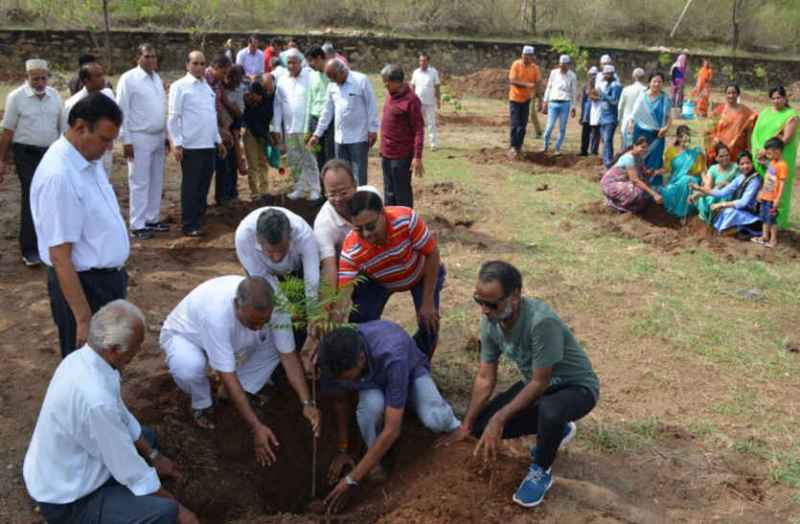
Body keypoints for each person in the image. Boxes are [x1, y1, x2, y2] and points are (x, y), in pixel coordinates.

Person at [436, 261, 599, 508]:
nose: (484, 310)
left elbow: (539, 382)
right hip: (537, 386)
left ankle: (541, 471)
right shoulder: (490, 322)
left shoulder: (541, 322)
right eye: (478, 301)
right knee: (481, 427)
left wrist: (499, 419)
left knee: (550, 411)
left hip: (575, 389)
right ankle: (555, 432)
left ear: (515, 295)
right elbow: (485, 377)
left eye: (492, 303)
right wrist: (466, 425)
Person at [23, 301, 200, 524]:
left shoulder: (83, 359)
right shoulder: (96, 400)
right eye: (137, 346)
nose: (139, 351)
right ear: (114, 350)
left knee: (148, 439)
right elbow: (129, 470)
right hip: (70, 500)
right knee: (165, 514)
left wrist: (154, 456)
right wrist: (179, 508)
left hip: (67, 464)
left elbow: (120, 414)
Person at [160, 276, 321, 455]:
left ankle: (238, 390)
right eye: (253, 322)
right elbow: (227, 375)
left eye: (264, 322)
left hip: (233, 335)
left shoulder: (277, 305)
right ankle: (201, 404)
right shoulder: (216, 315)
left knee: (275, 346)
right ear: (237, 304)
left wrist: (307, 402)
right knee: (190, 369)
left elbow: (288, 355)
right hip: (188, 337)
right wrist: (256, 427)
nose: (259, 328)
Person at [319, 321, 461, 513]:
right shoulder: (334, 355)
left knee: (436, 418)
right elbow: (340, 400)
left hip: (410, 375)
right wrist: (343, 449)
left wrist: (352, 478)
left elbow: (393, 430)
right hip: (373, 384)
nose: (343, 382)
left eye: (346, 377)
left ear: (361, 358)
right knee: (369, 409)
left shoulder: (392, 353)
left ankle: (456, 428)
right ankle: (374, 463)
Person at [30, 93, 129, 358]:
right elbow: (60, 257)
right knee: (86, 366)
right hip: (84, 287)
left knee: (110, 359)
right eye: (105, 139)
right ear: (80, 128)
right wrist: (83, 318)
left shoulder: (87, 158)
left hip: (106, 281)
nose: (109, 148)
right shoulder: (59, 176)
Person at [336, 191, 444, 358]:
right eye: (359, 229)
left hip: (420, 272)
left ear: (383, 213)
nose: (366, 234)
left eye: (371, 226)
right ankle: (374, 360)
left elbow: (432, 253)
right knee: (360, 322)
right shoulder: (351, 250)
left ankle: (417, 361)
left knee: (429, 325)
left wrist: (427, 300)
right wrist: (333, 327)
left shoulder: (406, 219)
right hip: (381, 281)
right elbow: (344, 293)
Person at [0, 58, 63, 266]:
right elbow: (7, 131)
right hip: (26, 154)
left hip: (50, 154)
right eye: (35, 78)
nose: (40, 82)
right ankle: (30, 250)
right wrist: (2, 160)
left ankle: (50, 246)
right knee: (31, 196)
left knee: (51, 197)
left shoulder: (54, 96)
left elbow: (62, 128)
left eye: (43, 78)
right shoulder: (16, 97)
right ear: (27, 78)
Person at [235, 206, 320, 348]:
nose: (276, 257)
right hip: (264, 275)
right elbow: (262, 279)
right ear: (258, 240)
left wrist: (313, 315)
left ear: (291, 236)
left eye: (282, 250)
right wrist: (288, 308)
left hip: (297, 270)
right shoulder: (244, 237)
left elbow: (312, 277)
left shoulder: (303, 233)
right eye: (270, 252)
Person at [167, 51, 226, 237]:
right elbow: (173, 117)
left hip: (208, 144)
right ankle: (189, 223)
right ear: (187, 65)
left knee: (204, 184)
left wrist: (218, 141)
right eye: (195, 63)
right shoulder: (180, 86)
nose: (199, 67)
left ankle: (199, 219)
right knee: (191, 186)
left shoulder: (206, 87)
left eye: (202, 63)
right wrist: (177, 143)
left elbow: (211, 117)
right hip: (191, 145)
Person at [117, 44, 170, 241]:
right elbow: (122, 109)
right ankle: (137, 223)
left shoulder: (156, 78)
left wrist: (165, 135)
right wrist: (126, 139)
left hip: (157, 135)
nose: (151, 60)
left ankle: (152, 218)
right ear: (138, 57)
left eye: (154, 56)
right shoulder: (128, 79)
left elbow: (160, 107)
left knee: (156, 179)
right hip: (139, 136)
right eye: (147, 56)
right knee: (139, 181)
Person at [314, 159, 381, 296]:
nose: (338, 199)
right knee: (363, 314)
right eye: (332, 194)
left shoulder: (371, 198)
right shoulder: (323, 224)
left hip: (382, 263)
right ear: (324, 193)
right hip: (353, 275)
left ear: (355, 186)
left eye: (343, 192)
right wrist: (326, 305)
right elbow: (329, 268)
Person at [309, 59, 380, 186]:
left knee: (359, 175)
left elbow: (371, 106)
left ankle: (360, 202)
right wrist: (317, 134)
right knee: (343, 175)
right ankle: (347, 203)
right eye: (331, 79)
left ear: (342, 71)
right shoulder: (332, 86)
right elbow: (327, 111)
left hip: (358, 137)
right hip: (339, 139)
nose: (334, 82)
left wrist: (373, 130)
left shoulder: (360, 80)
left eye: (335, 78)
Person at [270, 49, 321, 200]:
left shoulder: (310, 76)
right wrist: (276, 127)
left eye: (294, 62)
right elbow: (278, 105)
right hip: (289, 128)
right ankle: (299, 187)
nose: (292, 65)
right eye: (289, 62)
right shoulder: (282, 80)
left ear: (301, 62)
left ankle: (314, 189)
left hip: (306, 128)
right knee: (294, 159)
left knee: (310, 158)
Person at [750, 85, 798, 230]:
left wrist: (766, 152)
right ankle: (761, 221)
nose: (776, 101)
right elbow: (755, 133)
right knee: (761, 190)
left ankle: (777, 224)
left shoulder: (791, 115)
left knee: (776, 190)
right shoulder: (765, 112)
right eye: (773, 98)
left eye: (779, 97)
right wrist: (757, 150)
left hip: (778, 157)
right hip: (760, 156)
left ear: (785, 98)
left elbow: (786, 138)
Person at [380, 64, 424, 207]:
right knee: (388, 191)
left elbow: (418, 129)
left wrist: (417, 157)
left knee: (402, 193)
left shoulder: (411, 100)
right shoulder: (390, 95)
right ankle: (391, 223)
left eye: (386, 81)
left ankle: (405, 224)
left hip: (401, 156)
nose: (384, 85)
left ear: (396, 81)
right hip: (386, 153)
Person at [62, 61, 116, 181]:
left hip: (105, 152)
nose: (103, 79)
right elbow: (66, 133)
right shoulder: (73, 104)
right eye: (98, 76)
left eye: (102, 75)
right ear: (85, 81)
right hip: (83, 155)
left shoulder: (108, 95)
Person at [690, 151, 761, 234]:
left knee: (729, 211)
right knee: (725, 211)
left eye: (748, 163)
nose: (745, 166)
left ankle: (741, 229)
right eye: (742, 164)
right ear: (738, 166)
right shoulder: (740, 178)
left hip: (750, 213)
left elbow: (743, 203)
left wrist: (721, 204)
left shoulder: (754, 180)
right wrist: (699, 188)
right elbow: (721, 192)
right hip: (740, 211)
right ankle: (733, 230)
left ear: (752, 163)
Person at [204, 54, 238, 207]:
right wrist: (220, 130)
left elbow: (221, 104)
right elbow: (205, 111)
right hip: (204, 130)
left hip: (217, 127)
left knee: (222, 162)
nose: (225, 77)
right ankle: (200, 203)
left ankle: (221, 197)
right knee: (206, 168)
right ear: (216, 68)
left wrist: (225, 128)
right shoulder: (203, 81)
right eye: (224, 73)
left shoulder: (217, 83)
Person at [601, 136, 663, 213]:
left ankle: (629, 208)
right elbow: (635, 180)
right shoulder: (629, 158)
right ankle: (615, 205)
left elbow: (644, 173)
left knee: (645, 190)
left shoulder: (639, 157)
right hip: (610, 184)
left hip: (623, 182)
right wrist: (654, 194)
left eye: (646, 148)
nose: (645, 150)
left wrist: (655, 172)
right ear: (634, 146)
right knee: (637, 192)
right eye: (642, 147)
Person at [657, 125, 706, 218]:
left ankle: (686, 212)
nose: (686, 142)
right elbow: (667, 169)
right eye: (684, 139)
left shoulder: (695, 152)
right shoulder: (671, 151)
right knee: (674, 187)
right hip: (675, 181)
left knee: (687, 180)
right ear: (678, 138)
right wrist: (655, 172)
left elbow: (700, 171)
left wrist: (703, 156)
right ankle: (679, 212)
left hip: (692, 180)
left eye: (688, 139)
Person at [242, 72, 275, 203]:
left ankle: (264, 190)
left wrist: (268, 137)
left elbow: (265, 122)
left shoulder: (267, 101)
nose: (258, 98)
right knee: (253, 164)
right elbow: (252, 124)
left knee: (263, 163)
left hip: (263, 134)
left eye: (260, 96)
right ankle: (255, 192)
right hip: (250, 134)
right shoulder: (247, 104)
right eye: (255, 96)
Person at [630, 72, 672, 169]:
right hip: (641, 134)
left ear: (663, 84)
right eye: (654, 81)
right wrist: (630, 124)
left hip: (658, 135)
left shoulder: (665, 99)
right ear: (649, 83)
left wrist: (666, 128)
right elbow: (634, 115)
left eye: (659, 82)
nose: (656, 84)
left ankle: (653, 182)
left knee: (655, 158)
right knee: (639, 156)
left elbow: (669, 117)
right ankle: (638, 179)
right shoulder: (642, 97)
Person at [707, 84, 756, 165]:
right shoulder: (719, 110)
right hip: (720, 149)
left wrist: (750, 148)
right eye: (728, 93)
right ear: (725, 94)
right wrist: (714, 140)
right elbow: (710, 130)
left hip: (737, 150)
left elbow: (749, 131)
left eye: (734, 93)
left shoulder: (746, 112)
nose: (731, 95)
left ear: (738, 94)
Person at [689, 143, 739, 221]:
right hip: (715, 194)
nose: (725, 158)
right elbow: (708, 188)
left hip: (729, 197)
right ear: (716, 158)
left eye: (727, 155)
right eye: (721, 156)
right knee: (703, 199)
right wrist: (697, 194)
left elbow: (741, 186)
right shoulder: (713, 169)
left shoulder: (736, 168)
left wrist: (727, 185)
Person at [753, 138, 789, 248]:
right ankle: (764, 236)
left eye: (769, 153)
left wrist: (777, 199)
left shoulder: (782, 165)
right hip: (765, 196)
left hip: (772, 199)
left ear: (777, 152)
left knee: (772, 220)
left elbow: (782, 184)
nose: (767, 155)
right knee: (764, 217)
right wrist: (761, 193)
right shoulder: (772, 163)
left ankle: (773, 240)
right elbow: (768, 177)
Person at [507, 45, 541, 160]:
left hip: (526, 100)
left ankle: (519, 147)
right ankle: (513, 146)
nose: (527, 58)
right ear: (522, 55)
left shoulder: (535, 68)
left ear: (532, 57)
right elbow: (512, 81)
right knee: (515, 124)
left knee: (523, 126)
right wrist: (526, 85)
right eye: (525, 56)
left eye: (530, 56)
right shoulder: (516, 65)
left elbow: (537, 84)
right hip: (515, 99)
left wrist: (540, 99)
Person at [306, 46, 335, 170]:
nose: (310, 65)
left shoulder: (332, 75)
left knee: (330, 155)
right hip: (314, 120)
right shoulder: (312, 76)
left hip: (329, 122)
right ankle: (322, 188)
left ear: (319, 58)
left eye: (312, 61)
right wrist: (308, 125)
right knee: (318, 156)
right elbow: (310, 99)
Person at [542, 55, 577, 154]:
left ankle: (557, 148)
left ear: (568, 65)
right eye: (561, 65)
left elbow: (573, 92)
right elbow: (549, 87)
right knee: (549, 126)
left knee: (562, 128)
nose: (562, 67)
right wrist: (545, 101)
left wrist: (573, 107)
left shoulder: (572, 76)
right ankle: (545, 145)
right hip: (553, 102)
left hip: (565, 103)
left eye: (565, 65)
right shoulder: (553, 73)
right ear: (559, 64)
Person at [411, 52, 441, 151]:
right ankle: (416, 143)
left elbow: (437, 86)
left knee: (431, 123)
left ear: (428, 61)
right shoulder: (416, 72)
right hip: (417, 102)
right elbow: (413, 86)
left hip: (430, 102)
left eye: (424, 61)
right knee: (417, 123)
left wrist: (438, 99)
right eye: (420, 60)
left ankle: (433, 144)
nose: (422, 62)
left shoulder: (433, 72)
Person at [598, 65, 622, 168]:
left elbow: (614, 101)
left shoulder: (616, 86)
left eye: (607, 74)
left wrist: (603, 95)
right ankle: (607, 160)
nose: (604, 76)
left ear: (612, 74)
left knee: (607, 140)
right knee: (605, 140)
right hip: (603, 116)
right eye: (604, 74)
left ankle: (608, 163)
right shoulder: (607, 85)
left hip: (611, 117)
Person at [618, 68, 647, 150]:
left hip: (627, 121)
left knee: (625, 146)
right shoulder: (646, 90)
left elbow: (620, 107)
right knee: (640, 146)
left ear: (633, 76)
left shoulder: (626, 89)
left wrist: (619, 120)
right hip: (642, 122)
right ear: (644, 77)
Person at [578, 67, 600, 157]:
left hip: (596, 113)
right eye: (591, 75)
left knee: (595, 133)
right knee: (585, 132)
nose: (592, 77)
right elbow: (583, 101)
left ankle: (594, 151)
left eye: (594, 75)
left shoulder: (599, 86)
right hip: (587, 113)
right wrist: (581, 115)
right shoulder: (586, 86)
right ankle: (583, 150)